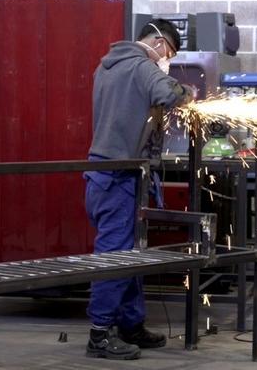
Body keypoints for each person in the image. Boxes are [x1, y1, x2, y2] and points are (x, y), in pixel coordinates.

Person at [83, 18, 194, 360]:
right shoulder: (142, 67)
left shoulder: (107, 67)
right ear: (159, 44)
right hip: (118, 178)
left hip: (104, 173)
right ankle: (99, 335)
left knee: (130, 253)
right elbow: (170, 93)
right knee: (116, 257)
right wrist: (190, 94)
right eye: (170, 54)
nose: (168, 61)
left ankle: (130, 325)